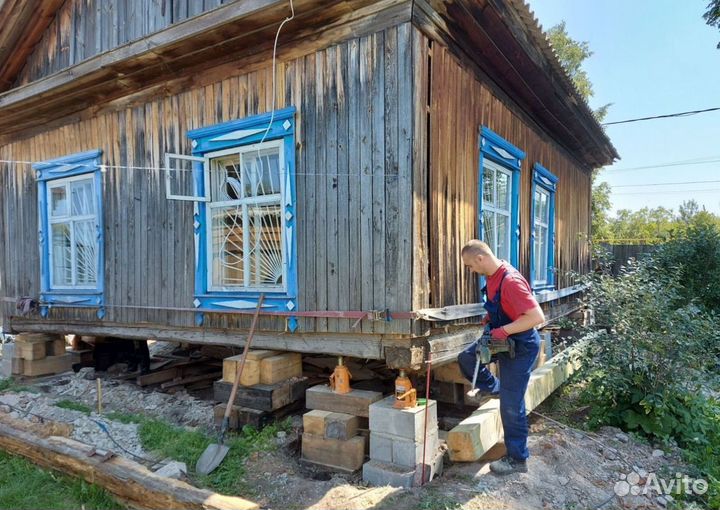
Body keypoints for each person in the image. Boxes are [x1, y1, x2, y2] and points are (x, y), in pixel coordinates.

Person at [457, 239, 545, 475]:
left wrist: (503, 330)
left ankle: (517, 459)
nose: (471, 271)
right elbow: (502, 308)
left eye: (470, 266)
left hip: (521, 344)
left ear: (480, 258)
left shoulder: (511, 281)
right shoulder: (492, 277)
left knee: (511, 403)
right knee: (467, 357)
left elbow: (536, 317)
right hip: (502, 338)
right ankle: (495, 388)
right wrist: (491, 320)